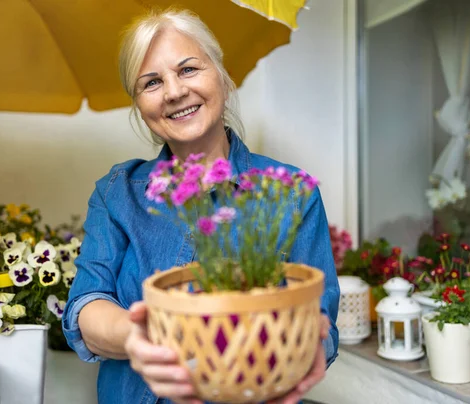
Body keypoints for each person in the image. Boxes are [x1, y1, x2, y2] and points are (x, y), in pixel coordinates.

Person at [62, 9, 340, 404]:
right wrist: (140, 337)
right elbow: (87, 306)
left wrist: (302, 351)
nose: (174, 92)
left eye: (188, 69)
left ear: (221, 78)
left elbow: (319, 324)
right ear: (140, 104)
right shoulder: (117, 193)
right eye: (152, 82)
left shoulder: (291, 193)